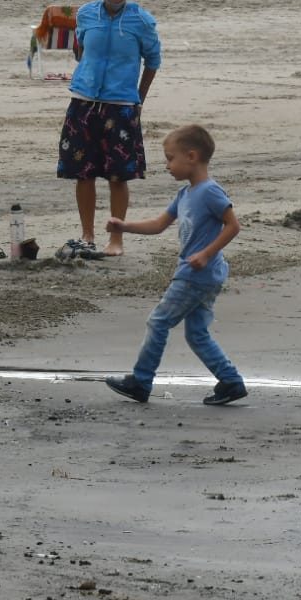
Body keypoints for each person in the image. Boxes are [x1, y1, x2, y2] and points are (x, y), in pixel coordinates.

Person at [104, 124, 248, 407]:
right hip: (203, 275)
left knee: (158, 321)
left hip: (197, 274)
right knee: (196, 333)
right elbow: (158, 225)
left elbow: (233, 226)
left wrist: (206, 254)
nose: (167, 166)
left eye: (170, 158)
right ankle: (230, 381)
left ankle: (141, 381)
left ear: (191, 157)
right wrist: (124, 226)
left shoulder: (210, 191)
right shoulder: (184, 194)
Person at [57, 0, 160, 260]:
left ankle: (116, 238)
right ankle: (87, 234)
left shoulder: (142, 21)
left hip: (121, 105)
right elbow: (80, 49)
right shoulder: (87, 14)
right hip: (84, 102)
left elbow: (153, 61)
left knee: (118, 175)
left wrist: (138, 98)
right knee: (83, 172)